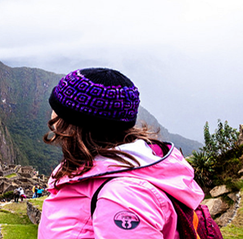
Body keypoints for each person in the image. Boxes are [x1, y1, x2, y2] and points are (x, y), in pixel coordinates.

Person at [37, 68, 204, 238]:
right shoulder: (96, 172)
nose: (52, 115)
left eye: (55, 108)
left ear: (72, 121)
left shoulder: (123, 197)